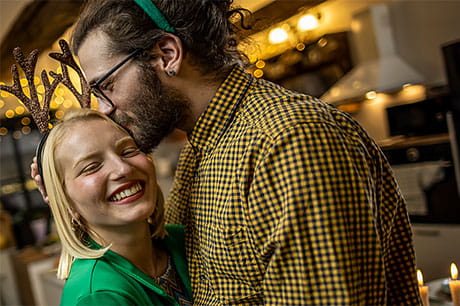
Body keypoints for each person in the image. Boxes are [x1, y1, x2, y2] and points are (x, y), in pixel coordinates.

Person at [32, 0, 421, 304]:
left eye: (105, 85)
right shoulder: (201, 151)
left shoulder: (289, 142)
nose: (104, 107)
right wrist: (70, 196)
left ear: (166, 54)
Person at [38, 108, 191, 305]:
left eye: (128, 151)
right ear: (65, 201)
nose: (123, 168)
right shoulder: (97, 296)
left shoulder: (184, 240)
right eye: (91, 167)